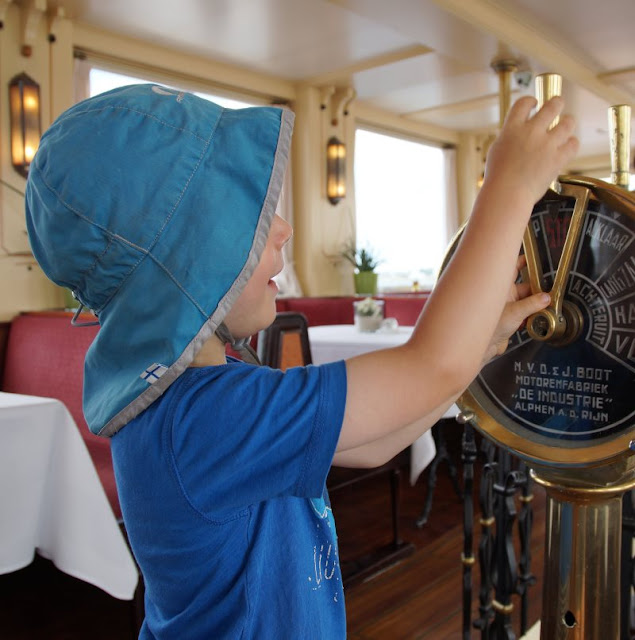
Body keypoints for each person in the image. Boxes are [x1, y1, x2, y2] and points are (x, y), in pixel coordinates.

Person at [25, 84, 578, 639]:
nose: (284, 229)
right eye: (248, 223)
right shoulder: (207, 418)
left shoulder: (208, 394)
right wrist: (508, 186)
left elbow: (375, 442)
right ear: (182, 265)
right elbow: (429, 366)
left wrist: (480, 348)